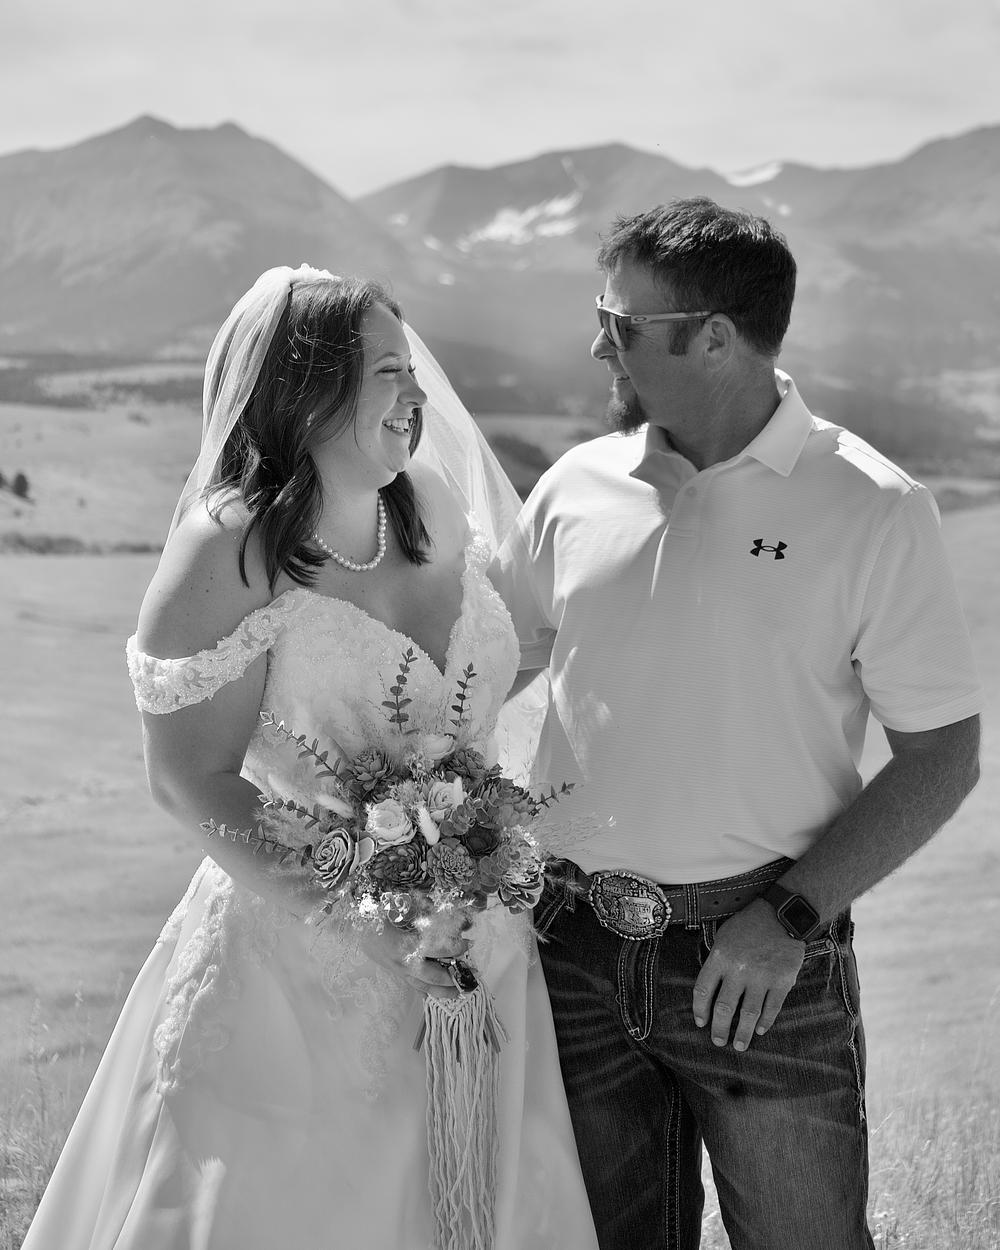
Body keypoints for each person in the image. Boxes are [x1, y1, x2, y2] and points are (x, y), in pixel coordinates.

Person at [21, 265, 599, 1250]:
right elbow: (187, 778)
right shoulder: (232, 547)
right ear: (307, 385)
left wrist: (468, 831)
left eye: (413, 368)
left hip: (478, 952)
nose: (417, 394)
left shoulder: (430, 503)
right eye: (387, 371)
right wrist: (372, 915)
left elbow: (484, 679)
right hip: (300, 976)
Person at [491, 198, 983, 1250]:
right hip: (568, 954)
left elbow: (943, 756)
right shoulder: (574, 486)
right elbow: (481, 666)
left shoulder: (874, 506)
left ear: (713, 337)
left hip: (759, 965)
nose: (598, 345)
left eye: (619, 323)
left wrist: (788, 920)